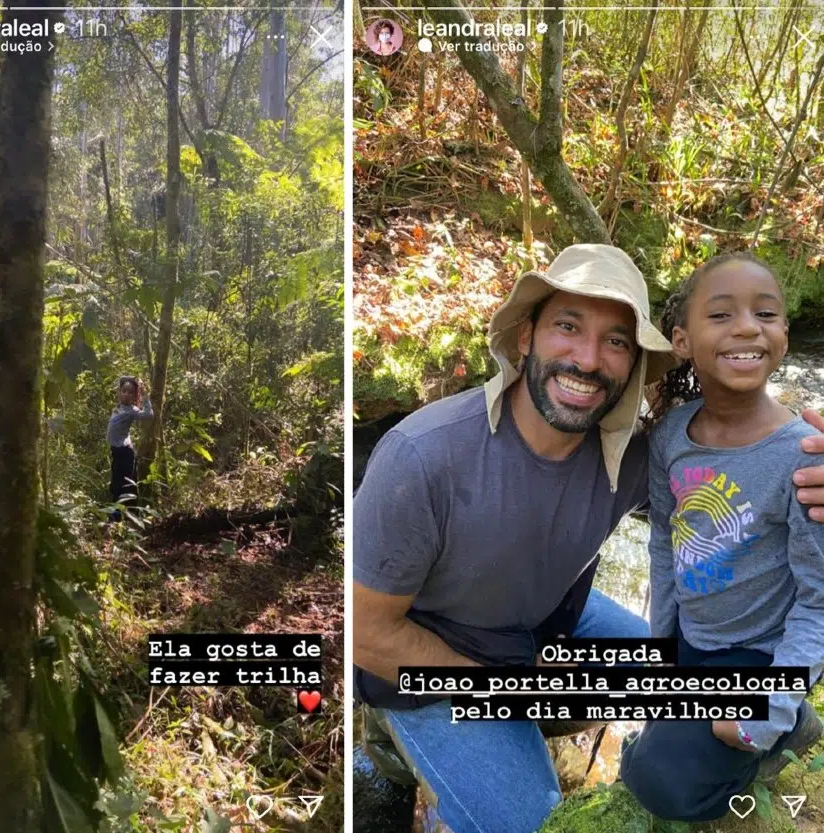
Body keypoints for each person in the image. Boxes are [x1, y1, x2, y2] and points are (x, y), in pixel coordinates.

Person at [353, 244, 824, 833]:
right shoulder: (423, 457)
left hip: (552, 626)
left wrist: (814, 469)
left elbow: (738, 488)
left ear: (634, 363)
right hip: (429, 660)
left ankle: (779, 717)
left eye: (617, 341)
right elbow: (367, 635)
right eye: (567, 327)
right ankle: (396, 746)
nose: (588, 359)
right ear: (525, 337)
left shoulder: (634, 452)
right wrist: (510, 689)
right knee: (539, 825)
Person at [620, 252, 824, 821]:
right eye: (722, 314)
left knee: (656, 780)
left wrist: (771, 704)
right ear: (682, 341)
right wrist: (661, 648)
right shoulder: (670, 438)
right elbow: (665, 544)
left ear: (784, 333)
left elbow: (818, 597)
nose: (746, 327)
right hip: (692, 641)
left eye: (766, 313)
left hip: (758, 652)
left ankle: (785, 727)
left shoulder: (803, 457)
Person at [106, 376, 152, 521]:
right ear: (120, 392)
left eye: (130, 392)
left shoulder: (132, 410)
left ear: (134, 396)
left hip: (125, 452)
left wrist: (144, 395)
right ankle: (120, 514)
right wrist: (134, 379)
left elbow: (149, 415)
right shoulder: (119, 407)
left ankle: (120, 516)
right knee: (116, 483)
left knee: (124, 484)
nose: (126, 394)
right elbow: (121, 378)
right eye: (124, 391)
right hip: (117, 452)